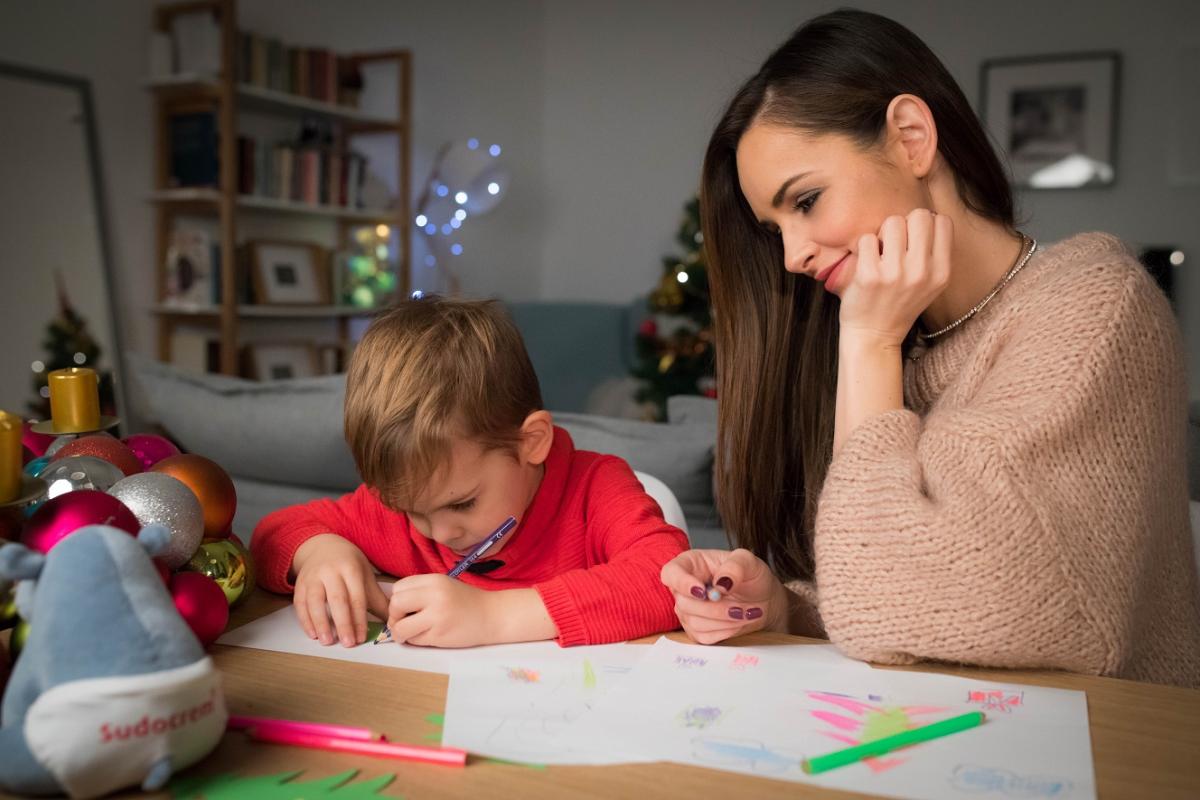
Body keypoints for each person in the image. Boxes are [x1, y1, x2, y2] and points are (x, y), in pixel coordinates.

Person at [660, 8, 1200, 687]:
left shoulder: (1096, 310)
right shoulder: (896, 339)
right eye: (774, 231)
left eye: (806, 201)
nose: (793, 255)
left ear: (912, 138)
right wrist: (786, 606)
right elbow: (913, 597)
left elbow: (948, 602)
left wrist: (868, 341)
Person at [252, 296, 688, 649]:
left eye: (462, 502)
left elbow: (670, 579)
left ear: (532, 441)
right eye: (410, 510)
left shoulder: (597, 489)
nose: (439, 533)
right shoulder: (401, 511)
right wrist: (321, 552)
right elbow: (273, 533)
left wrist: (492, 617)